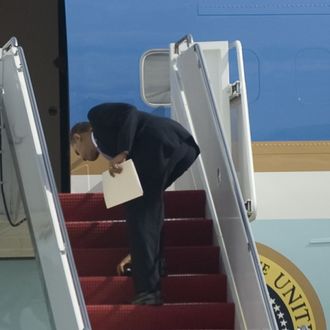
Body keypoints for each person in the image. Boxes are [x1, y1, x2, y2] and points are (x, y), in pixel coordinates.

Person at [70, 102, 200, 305]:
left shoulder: (95, 116)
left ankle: (148, 292)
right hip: (180, 147)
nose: (82, 158)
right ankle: (156, 265)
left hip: (160, 142)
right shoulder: (106, 148)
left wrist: (122, 152)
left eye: (77, 151)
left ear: (78, 137)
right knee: (148, 207)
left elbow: (129, 113)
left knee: (140, 212)